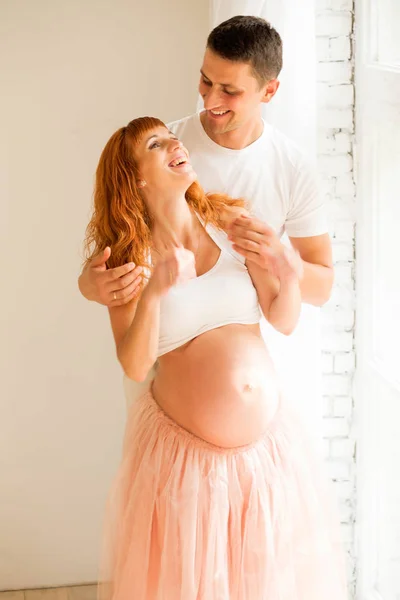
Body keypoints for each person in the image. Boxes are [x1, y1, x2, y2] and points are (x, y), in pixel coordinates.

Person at [85, 115, 347, 600]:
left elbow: (283, 319)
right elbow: (136, 364)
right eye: (155, 143)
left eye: (171, 135)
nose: (174, 143)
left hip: (266, 456)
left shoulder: (229, 223)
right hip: (185, 464)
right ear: (135, 175)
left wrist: (288, 274)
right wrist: (156, 291)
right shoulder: (128, 262)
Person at [78, 16, 333, 312]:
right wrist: (90, 285)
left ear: (269, 91)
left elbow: (323, 288)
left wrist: (281, 259)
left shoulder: (294, 168)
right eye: (206, 81)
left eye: (229, 90)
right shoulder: (165, 152)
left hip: (256, 346)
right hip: (171, 348)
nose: (210, 100)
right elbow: (115, 246)